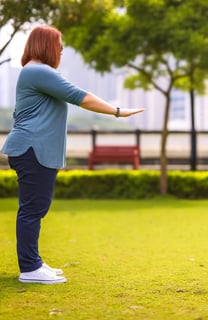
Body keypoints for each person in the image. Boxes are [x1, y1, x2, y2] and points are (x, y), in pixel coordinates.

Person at [1, 25, 144, 284]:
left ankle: (33, 263)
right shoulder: (39, 71)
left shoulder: (35, 72)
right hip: (32, 149)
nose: (62, 50)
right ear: (46, 45)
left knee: (35, 208)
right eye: (59, 45)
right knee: (33, 209)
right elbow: (81, 97)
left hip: (33, 150)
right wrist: (118, 111)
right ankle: (30, 268)